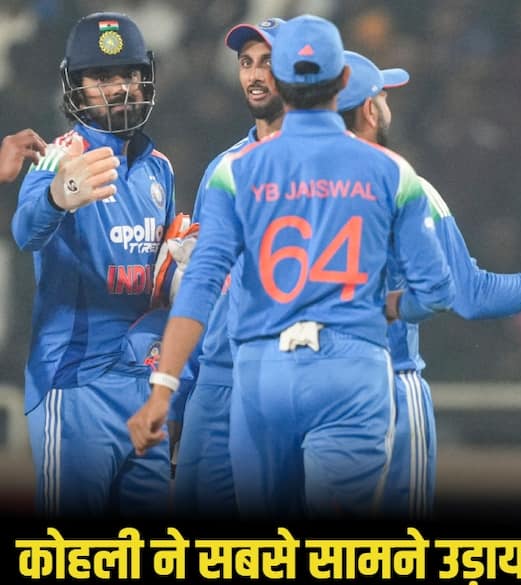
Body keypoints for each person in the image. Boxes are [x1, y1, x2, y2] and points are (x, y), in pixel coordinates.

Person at [128, 15, 454, 519]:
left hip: (262, 372)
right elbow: (438, 291)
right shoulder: (392, 172)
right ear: (343, 80)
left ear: (282, 77)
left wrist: (165, 386)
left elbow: (200, 284)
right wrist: (385, 306)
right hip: (349, 370)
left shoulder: (236, 173)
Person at [336, 51, 521, 519]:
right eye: (384, 96)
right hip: (385, 383)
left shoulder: (276, 183)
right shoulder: (404, 185)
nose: (388, 106)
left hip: (293, 381)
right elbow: (470, 295)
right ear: (370, 111)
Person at [13, 12, 175, 516]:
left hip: (144, 389)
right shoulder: (55, 157)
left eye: (129, 74)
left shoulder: (160, 169)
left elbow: (161, 277)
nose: (120, 88)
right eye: (102, 77)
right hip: (75, 386)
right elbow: (24, 232)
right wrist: (57, 197)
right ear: (76, 88)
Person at [170, 17, 286, 518]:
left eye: (268, 63)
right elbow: (203, 284)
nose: (255, 75)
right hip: (216, 382)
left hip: (280, 378)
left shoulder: (325, 168)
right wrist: (180, 391)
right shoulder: (223, 168)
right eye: (246, 63)